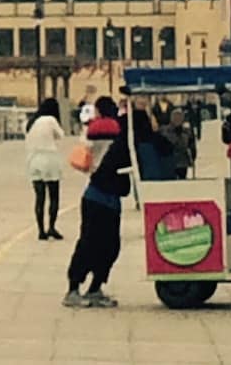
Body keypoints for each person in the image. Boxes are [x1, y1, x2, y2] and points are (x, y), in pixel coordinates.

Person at [63, 103, 139, 309]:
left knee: (103, 245)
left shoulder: (92, 133)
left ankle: (91, 287)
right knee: (96, 244)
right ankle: (75, 289)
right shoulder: (119, 139)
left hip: (103, 197)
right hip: (101, 197)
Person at [25, 98, 65, 241]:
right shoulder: (50, 120)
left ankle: (41, 230)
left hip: (33, 161)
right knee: (53, 196)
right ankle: (52, 227)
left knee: (39, 198)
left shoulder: (31, 122)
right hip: (49, 159)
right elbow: (61, 135)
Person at [160, 108, 196, 180]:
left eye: (180, 117)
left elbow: (192, 146)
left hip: (182, 162)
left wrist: (193, 157)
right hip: (169, 162)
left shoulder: (187, 131)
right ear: (171, 118)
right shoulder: (164, 131)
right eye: (175, 117)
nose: (178, 119)